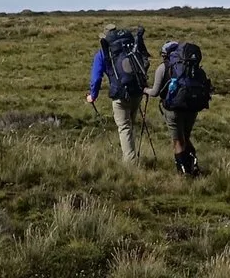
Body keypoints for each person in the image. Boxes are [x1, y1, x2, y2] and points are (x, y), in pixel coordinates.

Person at [85, 25, 148, 163]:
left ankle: (130, 164)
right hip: (137, 91)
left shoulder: (102, 53)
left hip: (120, 94)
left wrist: (93, 96)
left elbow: (96, 78)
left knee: (124, 127)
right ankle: (131, 155)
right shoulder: (130, 47)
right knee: (130, 124)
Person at [157, 38, 211, 178]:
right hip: (192, 108)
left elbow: (155, 92)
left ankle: (184, 174)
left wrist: (144, 90)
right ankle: (193, 165)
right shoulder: (195, 69)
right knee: (185, 137)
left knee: (178, 141)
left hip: (173, 109)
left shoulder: (164, 67)